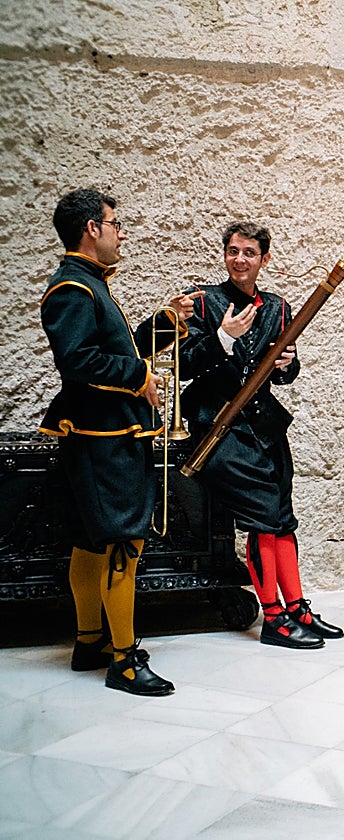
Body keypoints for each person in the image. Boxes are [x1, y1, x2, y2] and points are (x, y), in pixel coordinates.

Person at [39, 188, 197, 696]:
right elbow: (80, 362)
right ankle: (124, 661)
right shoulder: (73, 289)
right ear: (92, 229)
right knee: (122, 544)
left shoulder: (89, 285)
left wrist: (166, 323)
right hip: (105, 442)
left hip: (101, 438)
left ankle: (90, 642)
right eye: (114, 222)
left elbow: (114, 350)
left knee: (90, 544)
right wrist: (139, 377)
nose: (120, 231)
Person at [179, 221, 343, 649]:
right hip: (218, 426)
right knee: (264, 519)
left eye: (249, 252)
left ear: (263, 259)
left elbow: (286, 375)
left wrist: (288, 364)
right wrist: (222, 337)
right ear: (225, 255)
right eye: (233, 251)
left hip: (265, 426)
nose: (239, 259)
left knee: (283, 519)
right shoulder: (202, 302)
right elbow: (185, 365)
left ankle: (297, 608)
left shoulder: (277, 307)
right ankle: (273, 618)